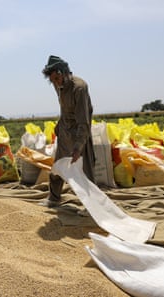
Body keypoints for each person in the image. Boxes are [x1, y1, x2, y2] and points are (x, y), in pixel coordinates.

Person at [40, 55, 95, 207]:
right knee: (58, 167)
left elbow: (83, 120)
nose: (55, 83)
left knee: (86, 171)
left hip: (79, 132)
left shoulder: (79, 88)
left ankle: (90, 206)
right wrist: (59, 125)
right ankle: (54, 198)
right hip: (65, 130)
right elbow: (64, 107)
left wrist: (78, 147)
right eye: (52, 80)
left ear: (63, 72)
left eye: (57, 78)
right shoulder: (57, 84)